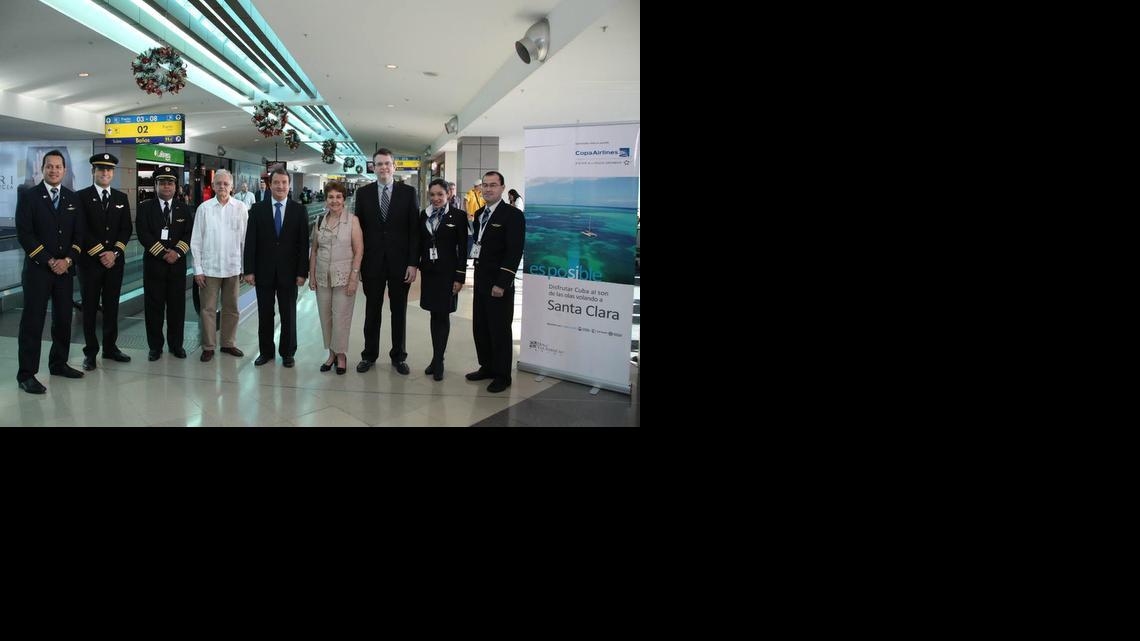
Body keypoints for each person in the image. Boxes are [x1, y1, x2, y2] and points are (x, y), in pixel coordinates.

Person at [14, 150, 84, 393]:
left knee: (63, 320)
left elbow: (79, 236)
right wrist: (49, 260)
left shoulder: (72, 199)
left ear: (65, 171)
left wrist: (67, 260)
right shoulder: (29, 197)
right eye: (49, 166)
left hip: (64, 271)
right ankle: (26, 374)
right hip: (37, 272)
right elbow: (25, 234)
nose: (54, 170)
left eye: (58, 167)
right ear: (42, 169)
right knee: (32, 323)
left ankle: (58, 363)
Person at [354, 148, 419, 375]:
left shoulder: (408, 193)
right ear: (373, 167)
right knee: (372, 311)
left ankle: (398, 356)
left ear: (394, 166)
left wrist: (413, 263)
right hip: (372, 263)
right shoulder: (363, 194)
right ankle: (369, 355)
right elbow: (358, 232)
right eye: (379, 164)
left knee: (398, 311)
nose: (383, 167)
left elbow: (414, 231)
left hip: (400, 264)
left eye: (387, 163)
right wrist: (358, 264)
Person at [466, 171, 525, 393]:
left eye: (493, 185)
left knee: (499, 329)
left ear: (502, 188)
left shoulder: (513, 215)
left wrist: (503, 282)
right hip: (481, 280)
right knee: (481, 327)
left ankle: (502, 375)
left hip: (499, 284)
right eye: (485, 185)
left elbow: (514, 252)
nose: (488, 189)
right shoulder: (480, 213)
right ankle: (487, 367)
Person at [244, 168, 308, 367]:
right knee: (265, 313)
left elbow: (303, 244)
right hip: (263, 272)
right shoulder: (257, 209)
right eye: (277, 182)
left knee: (288, 313)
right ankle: (266, 352)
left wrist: (301, 272)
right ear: (270, 185)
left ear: (289, 186)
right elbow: (250, 241)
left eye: (284, 183)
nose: (280, 186)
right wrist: (249, 270)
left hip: (289, 273)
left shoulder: (299, 210)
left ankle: (288, 352)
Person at [77, 153, 133, 370]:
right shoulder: (81, 197)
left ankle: (110, 348)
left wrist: (115, 253)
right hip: (90, 263)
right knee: (90, 308)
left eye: (109, 170)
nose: (105, 173)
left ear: (113, 173)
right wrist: (102, 252)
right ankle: (90, 352)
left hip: (115, 263)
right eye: (101, 169)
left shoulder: (120, 198)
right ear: (93, 172)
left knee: (111, 307)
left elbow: (126, 228)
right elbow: (80, 229)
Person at [137, 166, 193, 361]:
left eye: (170, 182)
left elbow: (188, 233)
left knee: (177, 308)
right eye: (162, 182)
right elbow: (143, 234)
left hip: (177, 267)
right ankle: (155, 347)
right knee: (153, 309)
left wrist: (177, 252)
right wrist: (162, 253)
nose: (166, 186)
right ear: (156, 185)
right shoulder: (145, 208)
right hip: (154, 266)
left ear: (175, 186)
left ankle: (176, 345)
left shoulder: (184, 208)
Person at [190, 169, 247, 363]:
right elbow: (196, 241)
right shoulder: (204, 209)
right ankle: (208, 346)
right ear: (213, 186)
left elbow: (245, 240)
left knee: (232, 308)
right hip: (209, 269)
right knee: (207, 309)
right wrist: (197, 269)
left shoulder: (240, 208)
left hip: (232, 268)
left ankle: (228, 343)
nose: (222, 186)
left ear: (232, 187)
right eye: (219, 183)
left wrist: (244, 267)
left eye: (226, 184)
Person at [308, 181, 362, 375]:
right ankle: (330, 354)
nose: (334, 201)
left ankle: (341, 355)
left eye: (338, 197)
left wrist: (354, 278)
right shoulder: (320, 220)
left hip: (344, 278)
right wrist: (312, 275)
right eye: (331, 197)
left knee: (341, 317)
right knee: (326, 317)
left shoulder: (352, 221)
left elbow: (359, 251)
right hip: (323, 277)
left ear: (344, 199)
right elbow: (314, 250)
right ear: (326, 199)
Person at [418, 179, 468, 381]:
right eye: (433, 195)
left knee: (443, 315)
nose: (436, 198)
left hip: (448, 274)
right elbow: (420, 242)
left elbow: (463, 249)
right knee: (433, 315)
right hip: (430, 273)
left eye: (440, 194)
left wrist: (460, 276)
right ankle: (435, 357)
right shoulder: (424, 215)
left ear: (448, 194)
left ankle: (439, 361)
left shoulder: (458, 216)